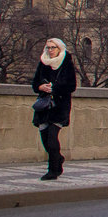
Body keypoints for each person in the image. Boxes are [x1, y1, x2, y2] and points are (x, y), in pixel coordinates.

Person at [31, 38, 77, 180]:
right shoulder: (43, 62)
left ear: (59, 49)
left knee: (52, 138)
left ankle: (52, 169)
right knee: (45, 139)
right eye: (48, 47)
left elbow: (71, 86)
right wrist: (40, 87)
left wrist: (54, 89)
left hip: (59, 105)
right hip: (44, 106)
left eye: (53, 48)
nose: (50, 50)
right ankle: (58, 159)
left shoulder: (66, 63)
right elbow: (34, 84)